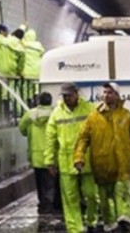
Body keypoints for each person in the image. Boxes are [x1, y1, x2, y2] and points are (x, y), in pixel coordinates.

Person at [74, 82, 130, 233]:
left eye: (110, 92)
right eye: (105, 92)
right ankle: (110, 225)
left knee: (123, 194)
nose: (106, 95)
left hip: (122, 166)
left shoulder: (126, 116)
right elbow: (83, 139)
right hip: (102, 166)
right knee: (105, 200)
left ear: (117, 95)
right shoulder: (94, 117)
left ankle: (125, 222)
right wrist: (79, 157)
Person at [45, 83, 99, 233]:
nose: (67, 98)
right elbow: (50, 138)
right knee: (70, 198)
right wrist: (50, 161)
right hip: (66, 161)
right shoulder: (57, 113)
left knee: (91, 195)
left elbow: (99, 133)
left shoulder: (89, 109)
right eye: (64, 96)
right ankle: (75, 229)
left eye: (69, 95)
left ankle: (91, 220)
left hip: (86, 160)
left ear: (76, 93)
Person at [19, 91, 56, 216]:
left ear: (38, 101)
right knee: (50, 182)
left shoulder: (30, 114)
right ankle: (49, 204)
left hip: (35, 154)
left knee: (39, 182)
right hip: (52, 154)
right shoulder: (56, 113)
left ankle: (42, 204)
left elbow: (22, 129)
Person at [20, 25, 45, 100]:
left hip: (27, 72)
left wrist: (23, 26)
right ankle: (35, 101)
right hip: (36, 72)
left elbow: (17, 35)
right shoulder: (39, 46)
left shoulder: (23, 44)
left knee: (26, 89)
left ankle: (26, 102)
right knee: (35, 88)